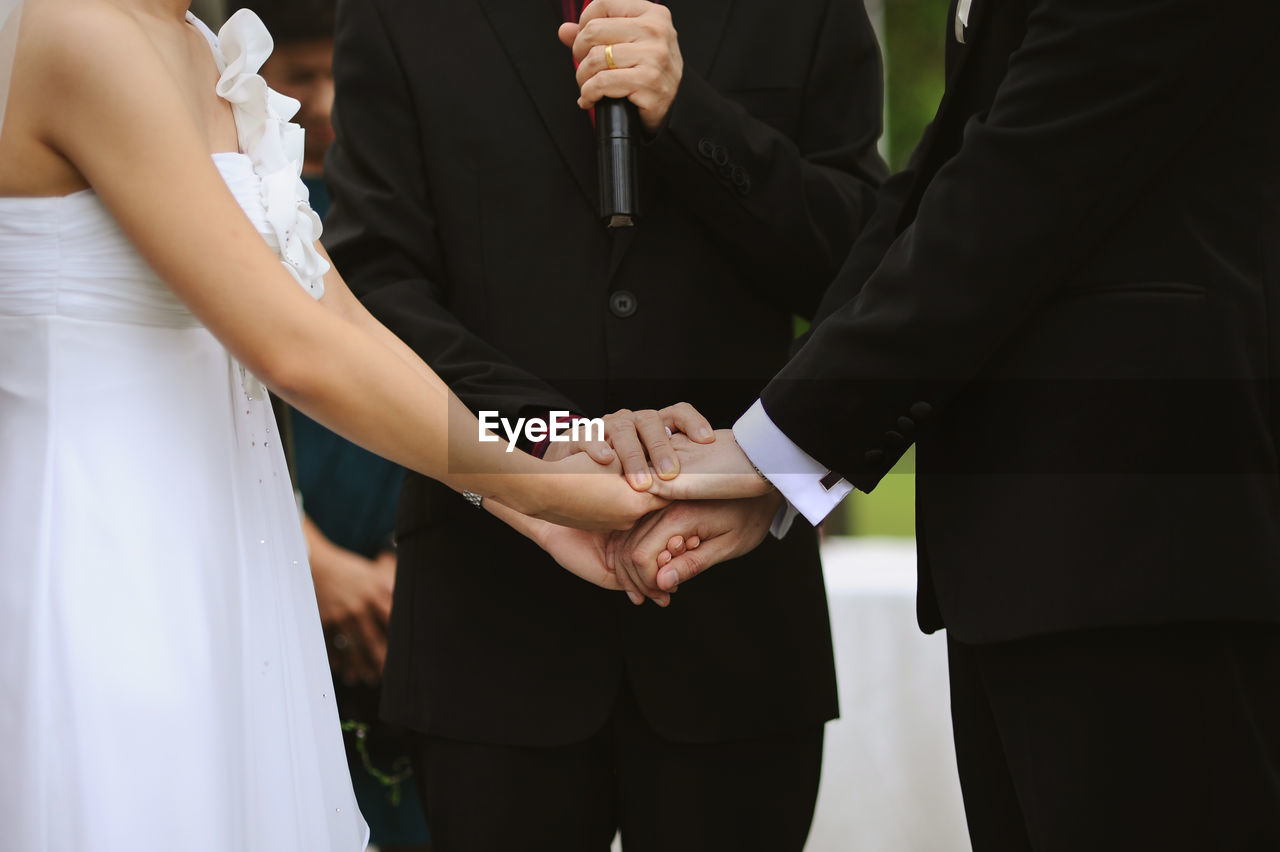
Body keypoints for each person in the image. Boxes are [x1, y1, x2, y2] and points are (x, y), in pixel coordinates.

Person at [0, 1, 673, 849]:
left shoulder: (201, 46)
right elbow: (295, 348)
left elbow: (341, 317)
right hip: (105, 559)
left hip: (228, 556)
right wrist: (554, 487)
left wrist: (535, 494)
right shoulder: (77, 27)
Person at [612, 0, 1280, 848]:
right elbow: (932, 189)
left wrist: (773, 449)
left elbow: (1014, 195)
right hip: (1032, 556)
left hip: (1153, 540)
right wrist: (774, 458)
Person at [322, 0, 886, 847]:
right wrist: (550, 441)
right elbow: (374, 280)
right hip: (489, 623)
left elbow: (862, 267)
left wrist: (688, 113)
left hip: (733, 618)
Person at [241, 0, 431, 846]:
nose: (319, 104)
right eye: (298, 77)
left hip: (410, 570)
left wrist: (405, 559)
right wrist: (309, 558)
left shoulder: (415, 206)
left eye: (337, 77)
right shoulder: (229, 199)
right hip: (274, 553)